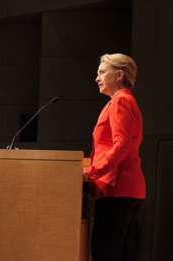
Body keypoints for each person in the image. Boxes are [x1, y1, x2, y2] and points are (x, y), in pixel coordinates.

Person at [83, 53, 146, 261]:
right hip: (128, 190)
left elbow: (121, 145)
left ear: (119, 75)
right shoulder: (127, 101)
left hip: (117, 189)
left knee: (106, 253)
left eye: (102, 72)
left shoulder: (120, 102)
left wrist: (93, 171)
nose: (97, 78)